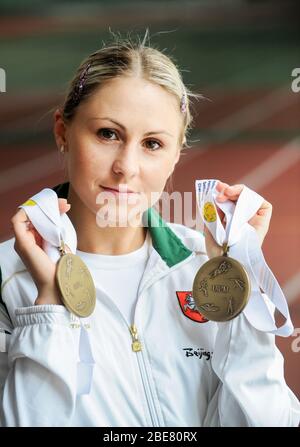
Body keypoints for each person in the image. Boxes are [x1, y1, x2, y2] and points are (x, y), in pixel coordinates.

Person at [0, 32, 299, 427]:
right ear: (63, 133)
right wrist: (49, 307)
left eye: (153, 144)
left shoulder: (206, 267)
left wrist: (239, 288)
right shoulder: (8, 279)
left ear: (176, 155)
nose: (127, 166)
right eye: (108, 134)